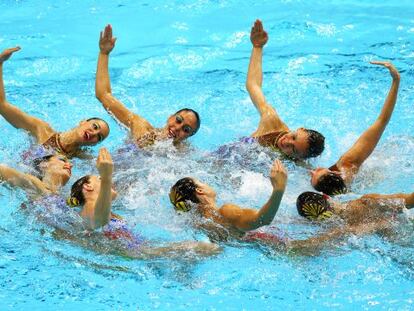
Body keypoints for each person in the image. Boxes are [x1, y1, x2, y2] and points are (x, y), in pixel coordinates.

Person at [65, 148, 220, 259]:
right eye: (98, 179)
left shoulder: (111, 213)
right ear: (88, 186)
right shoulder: (88, 208)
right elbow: (98, 221)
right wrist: (105, 176)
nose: (110, 182)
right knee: (206, 248)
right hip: (141, 254)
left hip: (141, 252)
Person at [95, 25, 200, 149]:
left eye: (186, 129)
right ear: (170, 117)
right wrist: (104, 53)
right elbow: (103, 95)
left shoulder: (183, 153)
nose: (177, 128)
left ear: (188, 137)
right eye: (178, 120)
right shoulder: (140, 127)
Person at [0, 47, 110, 158]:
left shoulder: (83, 157)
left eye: (99, 137)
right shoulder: (42, 130)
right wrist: (0, 62)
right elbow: (2, 105)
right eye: (95, 127)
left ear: (94, 144)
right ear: (83, 122)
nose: (94, 133)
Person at [310, 61, 400, 195]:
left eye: (313, 174)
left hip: (380, 167)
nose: (312, 171)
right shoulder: (347, 164)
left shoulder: (348, 163)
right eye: (316, 172)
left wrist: (396, 82)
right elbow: (381, 121)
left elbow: (382, 121)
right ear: (334, 172)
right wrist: (395, 80)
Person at [246, 20, 325, 160]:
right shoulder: (271, 122)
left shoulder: (293, 163)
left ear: (298, 157)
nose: (286, 142)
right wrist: (257, 47)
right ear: (299, 129)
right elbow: (253, 85)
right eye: (293, 137)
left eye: (293, 149)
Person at [169, 159, 287, 242]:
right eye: (201, 182)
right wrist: (279, 188)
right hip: (277, 244)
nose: (206, 183)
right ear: (200, 190)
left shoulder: (200, 225)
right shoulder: (226, 211)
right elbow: (263, 219)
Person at [295, 190, 414, 250]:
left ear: (315, 221)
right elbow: (409, 201)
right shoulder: (368, 202)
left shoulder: (338, 231)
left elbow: (304, 246)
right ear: (326, 196)